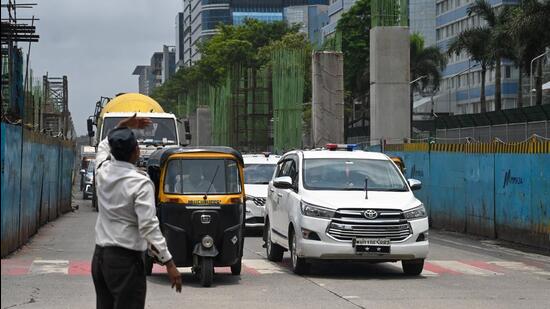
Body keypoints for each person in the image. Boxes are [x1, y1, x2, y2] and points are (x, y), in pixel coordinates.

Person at [92, 114, 182, 309]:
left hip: (100, 258)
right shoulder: (140, 183)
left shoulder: (102, 172)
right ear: (136, 151)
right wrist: (169, 263)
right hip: (126, 262)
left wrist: (121, 126)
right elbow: (149, 226)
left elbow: (103, 146)